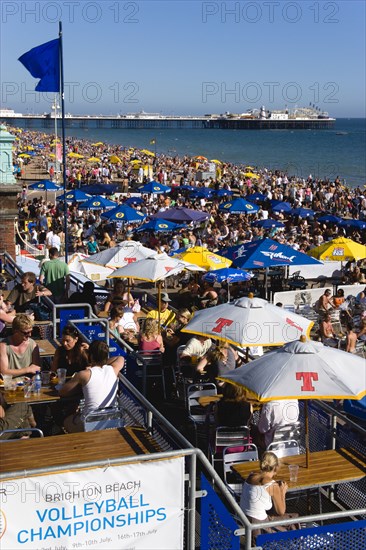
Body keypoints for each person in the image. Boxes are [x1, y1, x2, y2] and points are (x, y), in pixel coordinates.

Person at [60, 341, 124, 433]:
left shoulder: (84, 374)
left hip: (90, 422)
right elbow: (120, 358)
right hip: (110, 420)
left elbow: (63, 392)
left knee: (66, 421)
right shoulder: (113, 369)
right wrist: (103, 363)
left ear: (91, 356)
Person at [240, 451, 299, 542]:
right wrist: (282, 492)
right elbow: (281, 511)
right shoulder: (272, 485)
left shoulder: (251, 476)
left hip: (245, 521)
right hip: (260, 528)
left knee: (290, 518)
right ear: (275, 468)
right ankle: (297, 544)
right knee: (294, 519)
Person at [0, 314, 41, 379]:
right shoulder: (3, 346)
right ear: (15, 331)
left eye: (31, 331)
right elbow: (4, 372)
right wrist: (27, 369)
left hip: (28, 384)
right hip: (10, 385)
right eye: (26, 333)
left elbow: (36, 370)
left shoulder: (33, 345)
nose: (29, 335)